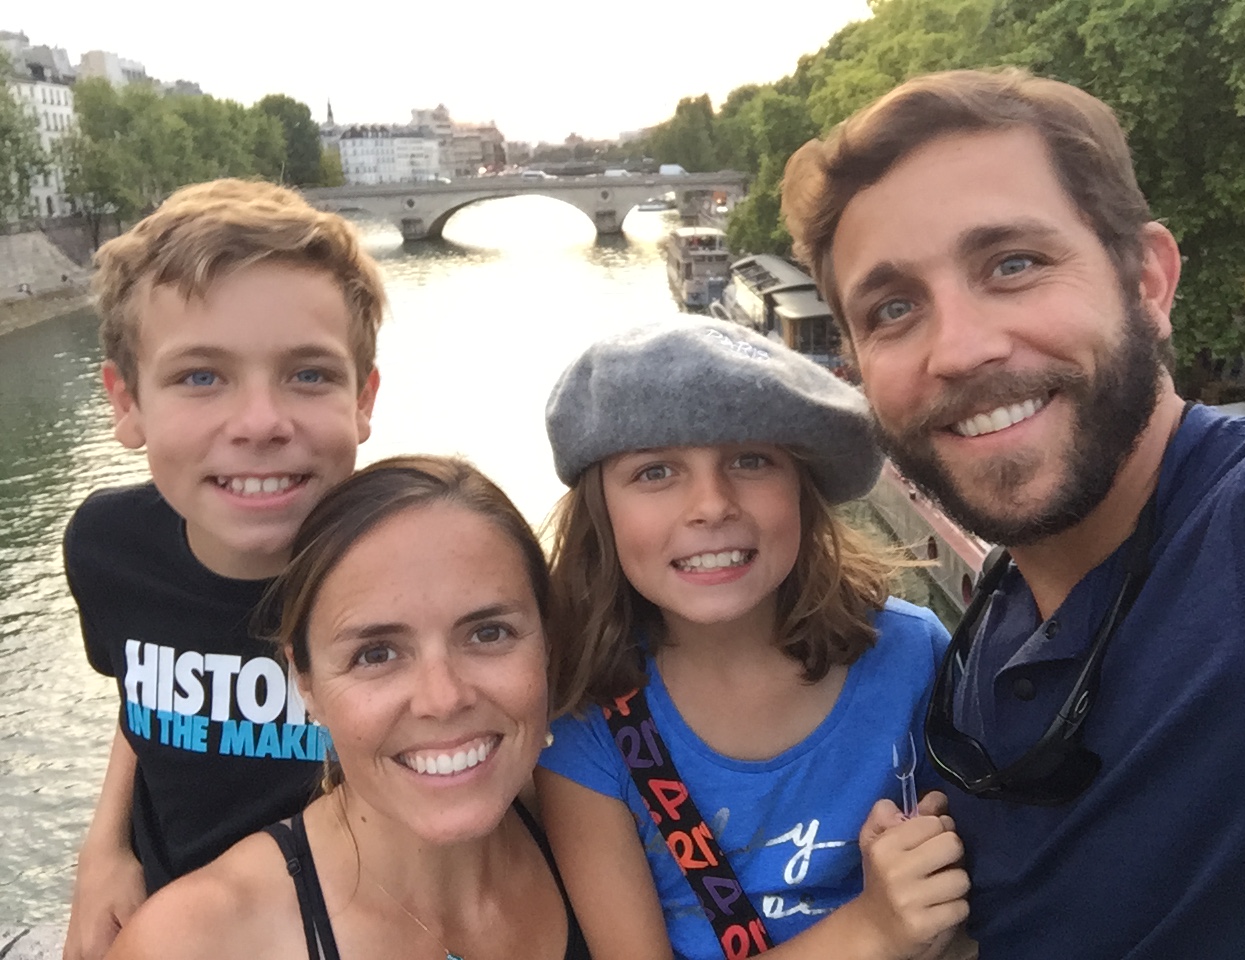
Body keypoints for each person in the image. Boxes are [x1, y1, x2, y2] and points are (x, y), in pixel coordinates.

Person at [780, 68, 1245, 957]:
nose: (961, 349)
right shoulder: (977, 657)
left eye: (1014, 263)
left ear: (1149, 282)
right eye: (894, 309)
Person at [536, 318, 973, 960]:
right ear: (602, 513)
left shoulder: (914, 656)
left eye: (750, 461)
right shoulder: (586, 724)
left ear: (802, 487)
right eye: (656, 472)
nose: (711, 504)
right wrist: (872, 928)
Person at [62, 178, 383, 960]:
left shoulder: (406, 566)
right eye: (201, 376)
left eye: (308, 374)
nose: (261, 423)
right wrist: (105, 848)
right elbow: (141, 690)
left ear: (363, 399)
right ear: (126, 403)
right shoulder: (108, 548)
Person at [104, 456, 591, 960]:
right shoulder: (196, 942)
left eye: (489, 633)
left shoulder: (605, 837)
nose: (443, 698)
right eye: (375, 654)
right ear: (305, 682)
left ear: (549, 645)